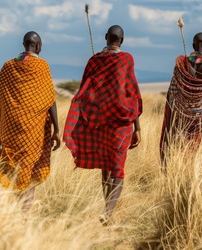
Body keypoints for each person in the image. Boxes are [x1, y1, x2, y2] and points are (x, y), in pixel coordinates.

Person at [63, 25, 143, 225]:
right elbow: (132, 93)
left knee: (106, 168)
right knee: (117, 168)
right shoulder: (126, 59)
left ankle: (108, 210)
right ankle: (108, 212)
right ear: (122, 40)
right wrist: (138, 127)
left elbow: (84, 91)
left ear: (106, 37)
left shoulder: (94, 60)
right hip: (120, 123)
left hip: (99, 122)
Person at [0, 31, 61, 212]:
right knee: (29, 169)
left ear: (23, 44)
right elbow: (50, 100)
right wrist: (57, 130)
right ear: (37, 46)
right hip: (33, 131)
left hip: (9, 130)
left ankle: (15, 212)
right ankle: (24, 212)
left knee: (13, 170)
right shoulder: (42, 66)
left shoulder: (8, 67)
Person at [159, 32, 202, 170]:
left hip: (181, 119)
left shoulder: (182, 67)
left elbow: (171, 94)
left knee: (181, 153)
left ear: (193, 46)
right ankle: (194, 183)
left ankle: (180, 180)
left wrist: (169, 124)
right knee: (199, 158)